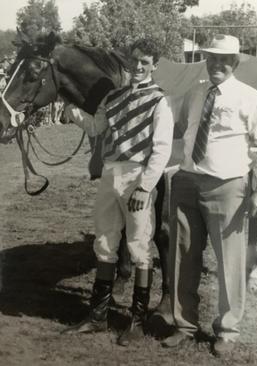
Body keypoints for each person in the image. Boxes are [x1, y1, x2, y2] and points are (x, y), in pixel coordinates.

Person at [161, 35, 257, 356]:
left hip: (227, 187)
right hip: (186, 181)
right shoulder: (196, 92)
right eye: (211, 58)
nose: (216, 65)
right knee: (182, 256)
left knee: (230, 261)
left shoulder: (249, 98)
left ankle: (227, 329)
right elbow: (184, 129)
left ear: (235, 63)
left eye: (223, 60)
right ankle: (184, 324)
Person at [61, 38, 174, 347]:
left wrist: (145, 187)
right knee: (105, 241)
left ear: (154, 66)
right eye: (134, 60)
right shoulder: (113, 97)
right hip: (111, 173)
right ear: (128, 60)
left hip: (138, 175)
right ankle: (97, 317)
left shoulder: (159, 101)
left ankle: (136, 321)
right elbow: (97, 128)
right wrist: (71, 110)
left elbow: (162, 150)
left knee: (139, 246)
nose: (138, 66)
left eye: (145, 62)